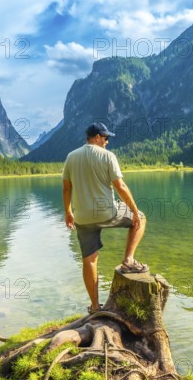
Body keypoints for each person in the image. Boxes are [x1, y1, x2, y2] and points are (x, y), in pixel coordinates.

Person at [62, 122, 148, 313]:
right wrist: (134, 210)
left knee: (90, 261)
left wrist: (68, 213)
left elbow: (67, 188)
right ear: (97, 137)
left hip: (82, 217)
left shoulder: (71, 157)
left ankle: (94, 307)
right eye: (106, 138)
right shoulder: (107, 156)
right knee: (140, 219)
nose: (108, 142)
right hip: (106, 212)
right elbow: (120, 187)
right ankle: (129, 260)